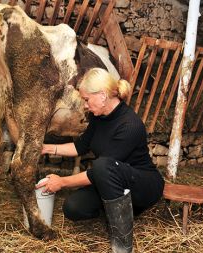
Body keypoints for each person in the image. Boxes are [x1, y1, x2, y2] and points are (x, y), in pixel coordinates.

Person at [37, 68, 164, 253]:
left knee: (103, 165)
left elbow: (101, 170)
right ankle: (118, 210)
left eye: (86, 99)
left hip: (143, 184)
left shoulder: (130, 124)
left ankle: (122, 246)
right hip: (111, 180)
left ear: (103, 95)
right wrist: (46, 148)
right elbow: (80, 147)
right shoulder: (99, 118)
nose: (85, 105)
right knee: (73, 208)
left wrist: (62, 182)